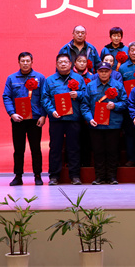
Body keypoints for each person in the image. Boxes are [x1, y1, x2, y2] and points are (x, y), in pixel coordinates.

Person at [41, 53, 86, 185]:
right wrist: (52, 111)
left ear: (70, 64)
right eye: (60, 62)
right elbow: (45, 98)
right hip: (57, 119)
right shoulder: (49, 80)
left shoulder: (78, 78)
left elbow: (86, 95)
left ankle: (75, 176)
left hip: (73, 119)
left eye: (66, 62)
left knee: (74, 148)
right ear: (56, 64)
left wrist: (78, 94)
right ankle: (54, 176)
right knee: (55, 148)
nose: (63, 64)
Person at [2, 52, 46, 186]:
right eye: (23, 61)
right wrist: (12, 113)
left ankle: (37, 175)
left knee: (36, 148)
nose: (25, 63)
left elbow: (44, 97)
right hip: (18, 119)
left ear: (32, 62)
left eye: (27, 61)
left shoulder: (40, 78)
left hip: (35, 119)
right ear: (19, 62)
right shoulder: (12, 78)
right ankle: (18, 176)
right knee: (18, 149)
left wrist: (43, 115)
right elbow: (6, 96)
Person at [81, 62, 127, 185]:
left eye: (106, 71)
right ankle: (99, 177)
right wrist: (89, 119)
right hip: (96, 125)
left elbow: (125, 103)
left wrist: (115, 105)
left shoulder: (118, 85)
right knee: (98, 151)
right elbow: (84, 105)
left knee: (112, 151)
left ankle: (112, 177)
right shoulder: (90, 86)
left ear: (110, 72)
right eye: (101, 71)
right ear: (97, 72)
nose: (104, 73)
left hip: (113, 124)